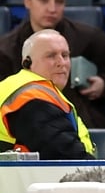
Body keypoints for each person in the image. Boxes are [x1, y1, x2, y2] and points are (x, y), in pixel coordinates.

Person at [0, 0, 105, 129]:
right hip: (23, 125)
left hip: (79, 123)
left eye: (59, 1)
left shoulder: (88, 37)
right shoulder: (6, 49)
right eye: (43, 0)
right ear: (27, 1)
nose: (52, 8)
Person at [0, 29, 95, 159]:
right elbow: (65, 155)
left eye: (65, 55)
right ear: (27, 63)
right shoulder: (32, 98)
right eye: (51, 55)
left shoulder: (21, 88)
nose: (61, 63)